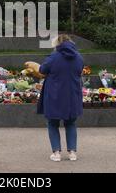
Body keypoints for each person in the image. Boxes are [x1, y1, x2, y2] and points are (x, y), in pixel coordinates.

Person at [37, 34, 84, 162]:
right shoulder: (79, 57)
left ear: (57, 44)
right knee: (71, 123)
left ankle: (56, 153)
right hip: (72, 95)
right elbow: (79, 71)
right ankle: (72, 153)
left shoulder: (53, 57)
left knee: (52, 123)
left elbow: (42, 70)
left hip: (54, 95)